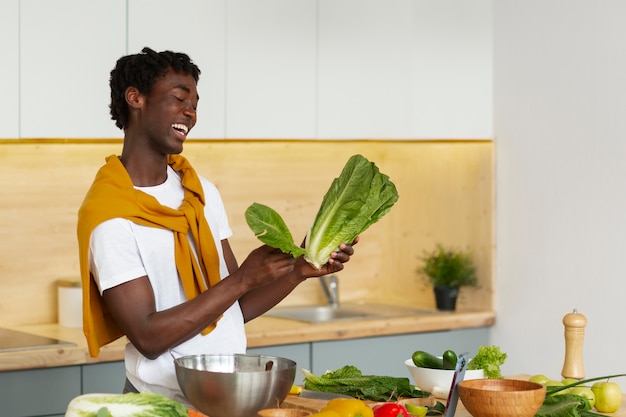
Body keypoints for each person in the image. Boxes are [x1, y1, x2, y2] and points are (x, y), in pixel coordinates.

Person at [76, 47, 357, 404]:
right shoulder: (109, 215)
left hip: (226, 395)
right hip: (162, 403)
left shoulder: (200, 192)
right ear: (136, 98)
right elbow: (148, 337)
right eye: (179, 98)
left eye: (194, 102)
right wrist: (242, 278)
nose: (190, 112)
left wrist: (298, 270)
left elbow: (234, 309)